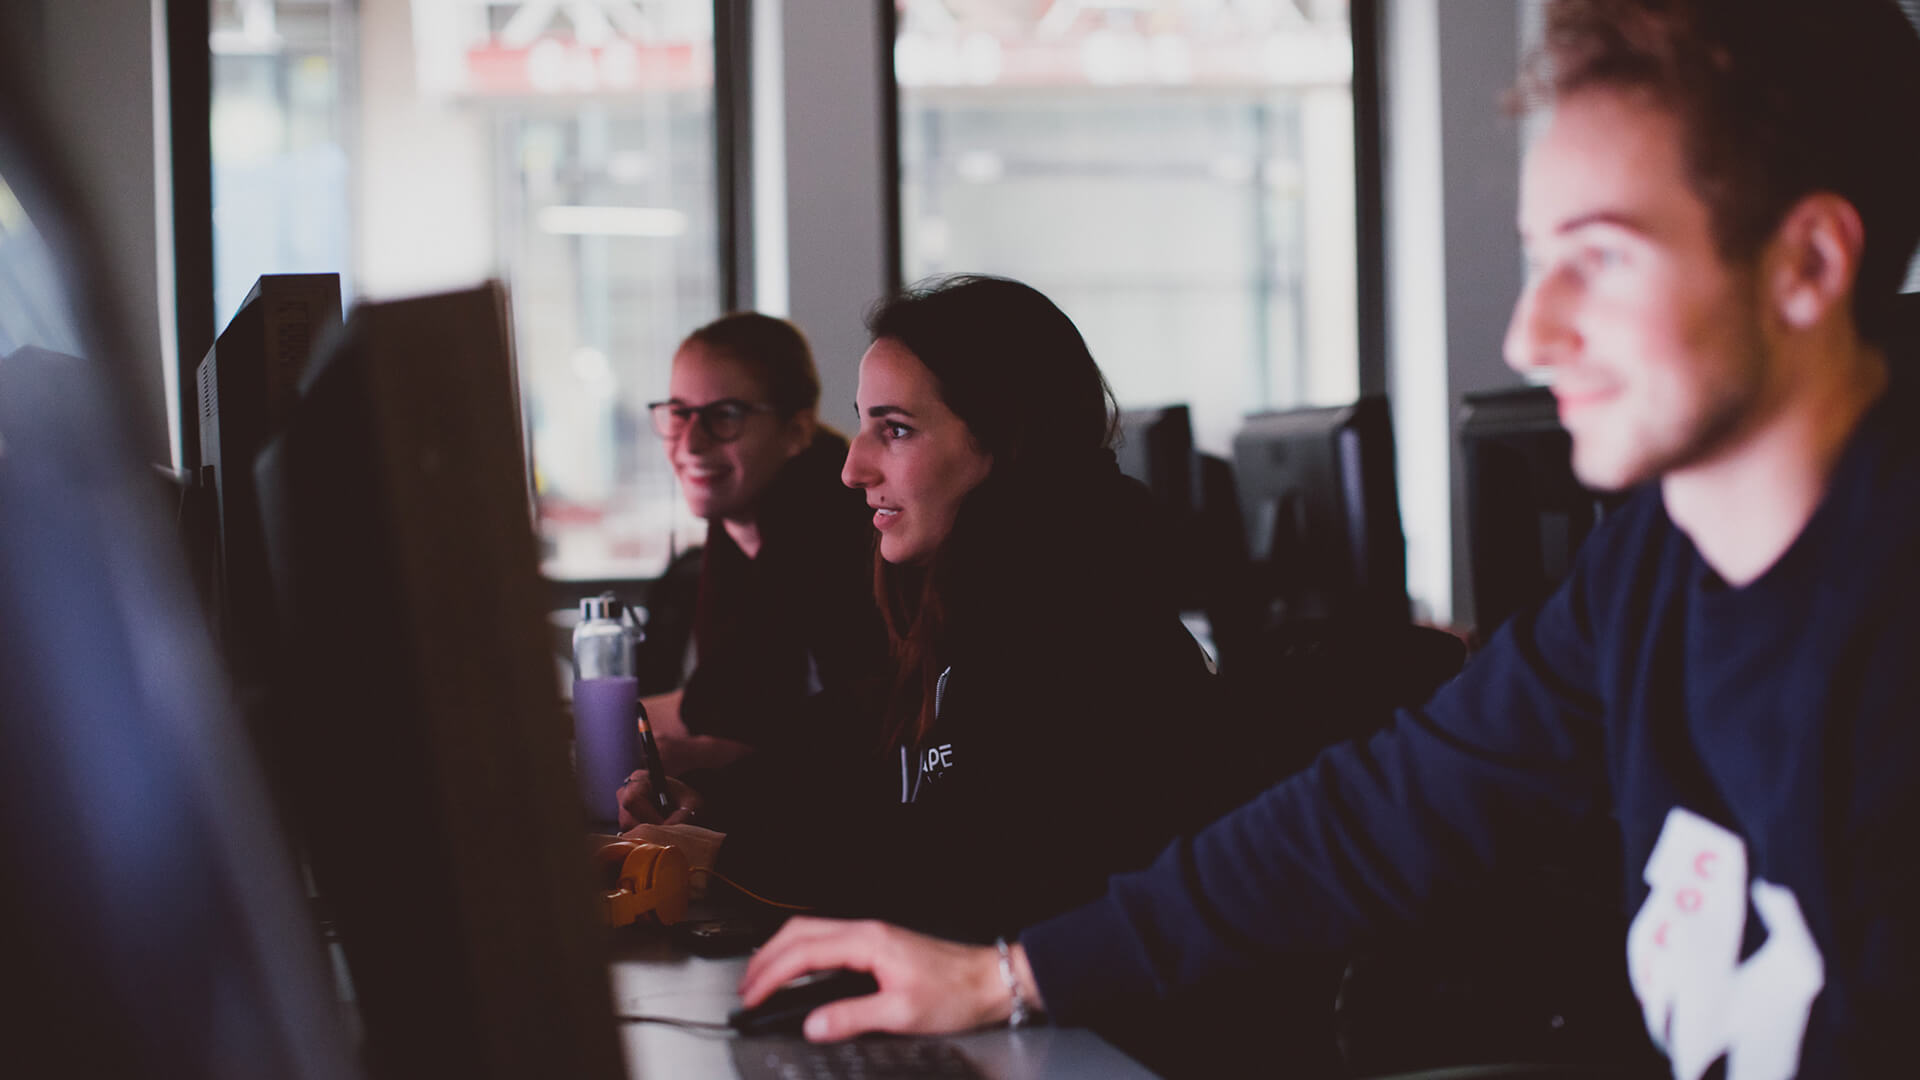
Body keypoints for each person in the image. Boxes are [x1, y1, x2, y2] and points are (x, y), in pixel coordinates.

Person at [735, 1, 1920, 1074]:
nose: (1530, 330)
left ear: (1808, 266)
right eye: (1538, 256)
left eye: (1600, 257)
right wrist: (1013, 976)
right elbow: (1386, 812)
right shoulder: (1650, 567)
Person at [619, 276, 1221, 942]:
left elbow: (965, 873)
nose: (852, 468)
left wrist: (723, 858)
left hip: (1085, 1035)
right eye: (862, 423)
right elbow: (864, 749)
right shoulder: (968, 603)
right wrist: (720, 798)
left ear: (1005, 441)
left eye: (896, 430)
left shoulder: (1080, 629)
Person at [633, 312, 886, 775]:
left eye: (724, 416)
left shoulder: (849, 531)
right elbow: (717, 702)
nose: (690, 443)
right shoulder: (735, 526)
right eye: (679, 413)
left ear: (795, 431)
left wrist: (741, 762)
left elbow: (876, 716)